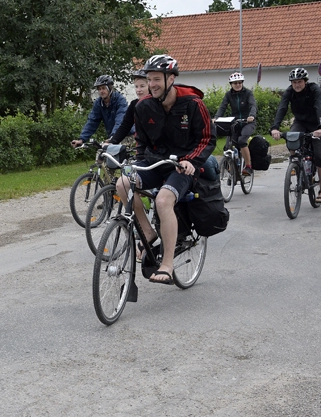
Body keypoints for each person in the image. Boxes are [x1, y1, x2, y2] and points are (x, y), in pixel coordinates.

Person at [114, 55, 214, 284]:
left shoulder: (193, 104)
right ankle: (148, 232)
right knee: (123, 183)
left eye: (157, 79)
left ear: (171, 79)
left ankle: (167, 264)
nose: (152, 85)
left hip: (183, 168)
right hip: (155, 162)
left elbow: (207, 139)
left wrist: (191, 161)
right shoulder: (143, 106)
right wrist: (138, 163)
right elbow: (142, 141)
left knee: (162, 201)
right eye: (149, 80)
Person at [270, 68, 321, 203]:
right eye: (294, 82)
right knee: (292, 140)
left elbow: (320, 107)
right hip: (300, 122)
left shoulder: (314, 90)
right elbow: (282, 108)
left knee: (319, 156)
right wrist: (275, 128)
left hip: (316, 124)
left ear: (305, 82)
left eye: (300, 82)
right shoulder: (289, 91)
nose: (297, 85)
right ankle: (297, 166)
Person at [213, 72, 258, 175]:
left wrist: (252, 116)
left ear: (242, 83)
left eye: (239, 83)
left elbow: (253, 105)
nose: (237, 85)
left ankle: (248, 166)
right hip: (236, 122)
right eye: (235, 83)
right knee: (228, 145)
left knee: (242, 141)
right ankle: (232, 172)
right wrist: (216, 118)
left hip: (248, 122)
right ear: (231, 84)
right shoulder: (228, 95)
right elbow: (222, 107)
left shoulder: (248, 93)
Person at [71, 75, 132, 148]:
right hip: (112, 137)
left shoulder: (120, 100)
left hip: (127, 135)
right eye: (99, 89)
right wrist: (81, 140)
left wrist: (113, 137)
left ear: (110, 88)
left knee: (113, 152)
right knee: (101, 155)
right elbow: (92, 121)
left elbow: (120, 120)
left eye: (103, 88)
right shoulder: (99, 103)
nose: (101, 91)